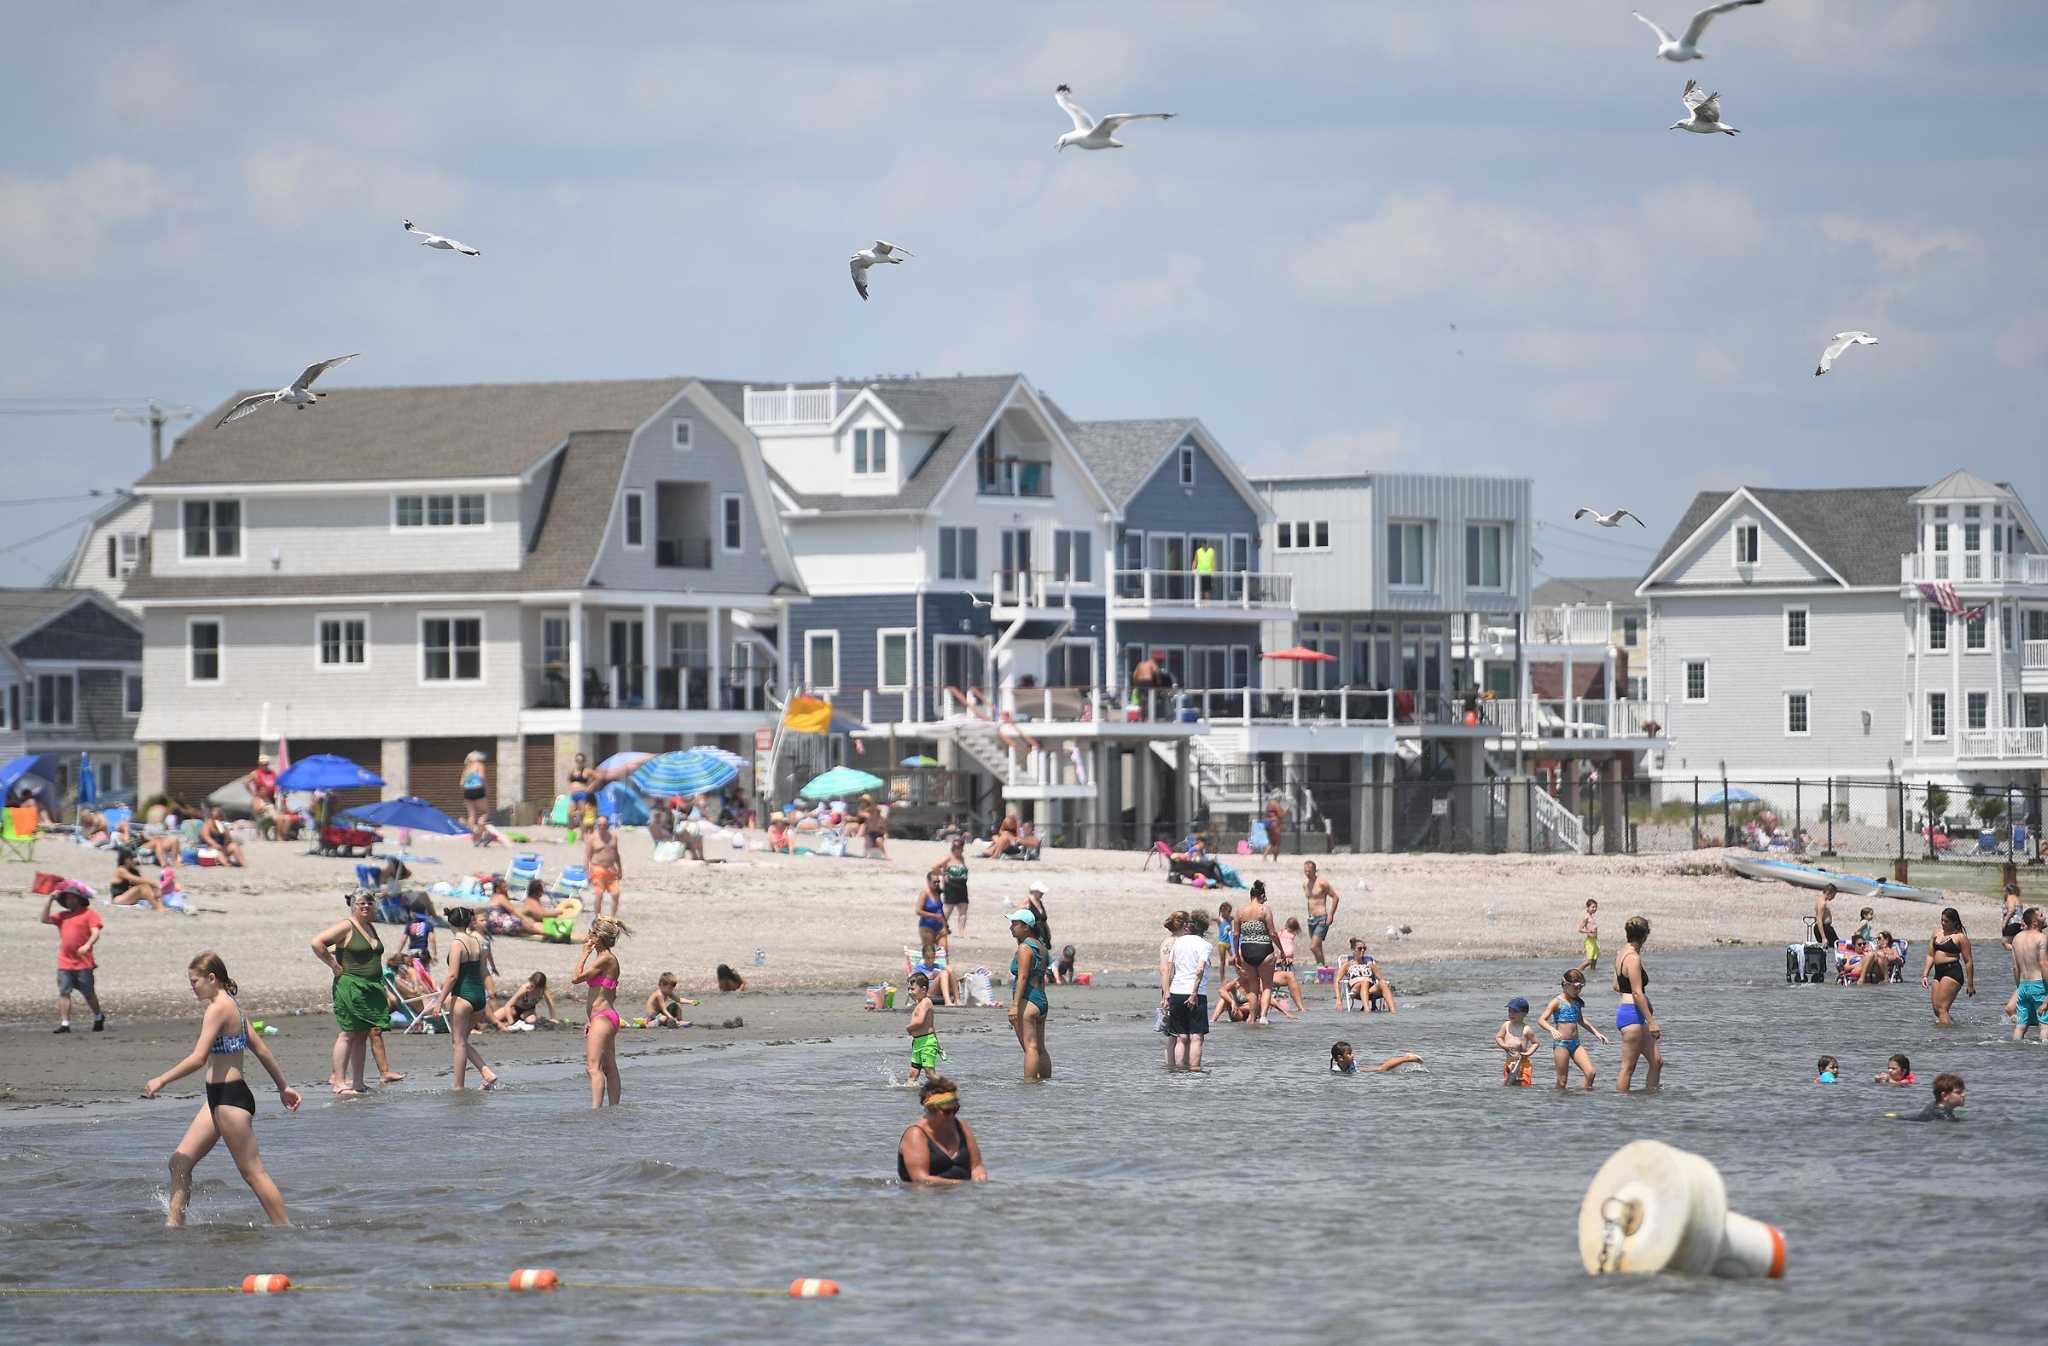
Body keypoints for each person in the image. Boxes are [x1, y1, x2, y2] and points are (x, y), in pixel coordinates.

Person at [144, 952, 300, 1227]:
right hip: (216, 1099)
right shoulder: (232, 1006)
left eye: (195, 981)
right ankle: (174, 1226)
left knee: (253, 1173)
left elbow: (198, 1058)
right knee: (179, 1162)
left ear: (211, 978)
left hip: (230, 1100)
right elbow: (261, 1049)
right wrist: (283, 1087)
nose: (192, 987)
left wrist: (162, 1079)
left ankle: (286, 1228)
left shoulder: (218, 1008)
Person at [311, 891, 397, 1096]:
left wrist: (384, 988)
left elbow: (371, 960)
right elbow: (317, 942)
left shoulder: (370, 926)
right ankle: (339, 1082)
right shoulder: (347, 925)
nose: (366, 906)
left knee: (362, 1034)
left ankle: (358, 1083)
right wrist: (333, 964)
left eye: (369, 902)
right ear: (353, 905)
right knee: (349, 1033)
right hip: (350, 986)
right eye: (361, 903)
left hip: (371, 987)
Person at [434, 907, 501, 1091]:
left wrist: (439, 1001)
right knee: (462, 1040)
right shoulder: (477, 941)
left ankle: (458, 1087)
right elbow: (482, 971)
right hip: (479, 996)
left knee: (458, 1042)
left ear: (451, 923)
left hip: (463, 996)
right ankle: (486, 1072)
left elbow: (453, 975)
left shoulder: (457, 943)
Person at [574, 916, 629, 1107]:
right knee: (608, 1067)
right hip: (603, 1018)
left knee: (593, 1067)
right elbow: (607, 994)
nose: (588, 935)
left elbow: (576, 978)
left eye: (591, 932)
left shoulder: (605, 959)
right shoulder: (607, 959)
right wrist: (591, 1021)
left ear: (599, 937)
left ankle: (596, 1112)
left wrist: (583, 953)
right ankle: (614, 1109)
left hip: (603, 1019)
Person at [896, 1076, 987, 1183]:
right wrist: (959, 1185)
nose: (952, 1115)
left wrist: (980, 1180)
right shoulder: (916, 1134)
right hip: (927, 1196)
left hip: (961, 1196)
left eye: (955, 1109)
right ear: (931, 1109)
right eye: (947, 1111)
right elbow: (920, 1179)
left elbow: (977, 1166)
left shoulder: (961, 1126)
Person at [43, 888, 106, 1033]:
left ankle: (98, 1016)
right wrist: (50, 899)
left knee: (88, 993)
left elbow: (96, 932)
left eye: (72, 898)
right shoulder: (63, 916)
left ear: (78, 899)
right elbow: (44, 919)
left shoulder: (89, 914)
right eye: (67, 899)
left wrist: (87, 945)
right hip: (65, 962)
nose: (69, 901)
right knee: (64, 992)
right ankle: (65, 1024)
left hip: (84, 962)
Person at [1538, 968, 1609, 1091]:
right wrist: (1551, 1029)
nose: (1579, 990)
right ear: (1566, 985)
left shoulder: (1576, 1002)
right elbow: (1541, 1020)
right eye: (1576, 987)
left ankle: (1582, 1101)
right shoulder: (1556, 1002)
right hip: (1561, 1045)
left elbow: (1581, 1021)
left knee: (1590, 1072)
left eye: (1581, 987)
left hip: (1576, 1044)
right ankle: (1558, 1105)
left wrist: (1597, 1033)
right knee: (1562, 1080)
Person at [1614, 915, 1662, 1093]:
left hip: (1633, 1013)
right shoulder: (1633, 958)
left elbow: (1616, 985)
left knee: (1657, 1062)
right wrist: (1651, 1021)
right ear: (1644, 936)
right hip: (1631, 1016)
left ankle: (1651, 1100)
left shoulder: (1621, 953)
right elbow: (1636, 992)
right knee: (1628, 1068)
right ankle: (1623, 1108)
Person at [1162, 908, 1213, 1071]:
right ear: (1204, 928)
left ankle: (1179, 1072)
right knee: (1196, 1037)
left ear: (1190, 925)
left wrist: (1167, 994)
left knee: (1181, 1037)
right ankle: (1195, 1071)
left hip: (1176, 992)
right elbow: (1199, 970)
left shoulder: (1178, 942)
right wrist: (1193, 994)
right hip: (1196, 994)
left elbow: (1169, 969)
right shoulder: (1205, 945)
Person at [1006, 908, 1052, 1080]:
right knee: (1040, 1048)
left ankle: (1029, 1086)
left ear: (1026, 927)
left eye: (1015, 924)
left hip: (1028, 1000)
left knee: (1030, 1047)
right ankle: (1045, 1085)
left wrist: (1015, 1005)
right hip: (1041, 1000)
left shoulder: (1025, 947)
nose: (1011, 928)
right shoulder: (1042, 947)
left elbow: (1023, 977)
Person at [1231, 879, 1279, 1025]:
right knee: (1267, 986)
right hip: (1264, 949)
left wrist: (1237, 955)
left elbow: (1235, 935)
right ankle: (1263, 1017)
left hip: (1246, 950)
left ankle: (1251, 1018)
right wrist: (1282, 950)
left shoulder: (1240, 911)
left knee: (1252, 986)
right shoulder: (1265, 909)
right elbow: (1272, 933)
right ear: (1261, 896)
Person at [1920, 906, 1974, 1025]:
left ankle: (1945, 1038)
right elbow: (1930, 955)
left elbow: (1968, 961)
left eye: (1946, 921)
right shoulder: (1936, 933)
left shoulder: (1960, 937)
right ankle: (1952, 1027)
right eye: (1942, 920)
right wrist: (1925, 975)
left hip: (1952, 972)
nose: (1943, 923)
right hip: (1938, 972)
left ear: (1954, 922)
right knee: (1936, 1010)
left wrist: (1970, 984)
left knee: (1942, 1009)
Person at [2012, 907, 2047, 1043]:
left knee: (2021, 1026)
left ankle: (2016, 1051)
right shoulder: (2041, 938)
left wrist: (2018, 987)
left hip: (2023, 985)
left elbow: (2015, 967)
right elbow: (2044, 963)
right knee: (2044, 1025)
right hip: (2039, 985)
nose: (2045, 916)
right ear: (2035, 922)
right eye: (2042, 915)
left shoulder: (2016, 938)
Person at [905, 972, 944, 1083]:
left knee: (930, 1074)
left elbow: (920, 1021)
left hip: (926, 1043)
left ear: (923, 989)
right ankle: (909, 1089)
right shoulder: (919, 1003)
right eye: (908, 989)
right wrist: (938, 1044)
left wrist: (909, 1028)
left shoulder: (926, 1002)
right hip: (918, 1043)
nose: (910, 992)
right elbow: (931, 1026)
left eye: (912, 989)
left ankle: (946, 1087)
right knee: (913, 1073)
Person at [584, 814, 624, 919]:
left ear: (608, 825)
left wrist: (620, 869)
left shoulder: (613, 837)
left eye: (604, 825)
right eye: (600, 825)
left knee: (616, 894)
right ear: (597, 825)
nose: (602, 826)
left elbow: (616, 854)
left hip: (611, 869)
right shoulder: (592, 838)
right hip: (597, 868)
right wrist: (587, 872)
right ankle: (598, 917)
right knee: (599, 894)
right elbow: (587, 857)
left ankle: (612, 917)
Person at [1302, 860, 1340, 966]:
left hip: (1322, 918)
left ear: (1315, 870)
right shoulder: (1305, 884)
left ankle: (1322, 967)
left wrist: (1331, 915)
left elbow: (1335, 897)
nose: (1307, 874)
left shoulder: (1322, 883)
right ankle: (1322, 972)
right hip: (1311, 919)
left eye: (1309, 871)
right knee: (1318, 947)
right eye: (1305, 871)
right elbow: (1309, 901)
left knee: (1313, 947)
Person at [493, 972, 558, 1030]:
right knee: (494, 1019)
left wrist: (553, 1018)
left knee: (531, 1021)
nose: (533, 989)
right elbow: (508, 1005)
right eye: (532, 986)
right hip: (514, 1009)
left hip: (529, 1010)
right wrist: (511, 1023)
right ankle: (514, 1021)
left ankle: (517, 1022)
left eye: (537, 988)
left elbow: (550, 1004)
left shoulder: (543, 989)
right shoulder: (524, 988)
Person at [1496, 997, 1539, 1086]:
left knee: (1523, 1085)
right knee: (1509, 1085)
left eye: (1515, 1011)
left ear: (1524, 1014)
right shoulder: (1506, 1025)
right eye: (1509, 1011)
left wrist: (1528, 1053)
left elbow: (1536, 1043)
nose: (1511, 1014)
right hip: (1509, 1063)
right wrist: (1503, 1045)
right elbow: (1498, 1037)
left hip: (1523, 1064)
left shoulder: (1526, 1029)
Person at [1889, 1072, 1965, 1122]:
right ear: (1944, 1096)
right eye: (1958, 1092)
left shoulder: (1934, 1104)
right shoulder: (1943, 1115)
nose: (1963, 1095)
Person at [1330, 1041, 1424, 1075]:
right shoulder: (1336, 1070)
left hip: (1359, 1070)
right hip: (1359, 1070)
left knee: (1383, 1068)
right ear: (1340, 1058)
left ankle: (1408, 1058)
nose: (1353, 1055)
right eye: (1349, 1054)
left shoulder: (1343, 1065)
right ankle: (1406, 1058)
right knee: (1383, 1068)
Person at [915, 869, 946, 966]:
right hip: (927, 927)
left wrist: (945, 926)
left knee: (943, 952)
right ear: (928, 882)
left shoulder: (938, 893)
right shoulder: (924, 894)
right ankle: (926, 973)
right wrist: (934, 916)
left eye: (938, 881)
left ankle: (943, 974)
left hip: (940, 927)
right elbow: (918, 911)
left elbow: (941, 910)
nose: (937, 884)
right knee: (929, 953)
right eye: (934, 882)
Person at [403, 894, 438, 966]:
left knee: (412, 972)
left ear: (413, 913)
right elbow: (432, 940)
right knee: (425, 973)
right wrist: (434, 954)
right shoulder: (428, 925)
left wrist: (398, 951)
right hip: (423, 952)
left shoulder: (409, 925)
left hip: (412, 952)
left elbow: (403, 939)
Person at [461, 750, 489, 831]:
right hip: (477, 789)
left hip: (467, 791)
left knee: (471, 815)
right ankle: (480, 824)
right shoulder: (479, 765)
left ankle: (471, 832)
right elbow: (482, 777)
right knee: (485, 812)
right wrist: (486, 788)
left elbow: (462, 783)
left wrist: (465, 796)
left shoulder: (467, 768)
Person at [566, 752, 596, 822]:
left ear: (584, 762)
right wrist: (570, 788)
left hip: (582, 794)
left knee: (582, 815)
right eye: (577, 761)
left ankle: (583, 832)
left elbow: (597, 778)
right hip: (573, 794)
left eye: (581, 761)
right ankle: (571, 833)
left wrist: (591, 787)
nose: (579, 763)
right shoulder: (572, 770)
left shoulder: (587, 770)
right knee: (569, 814)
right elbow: (568, 780)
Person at [858, 794, 889, 860]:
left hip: (878, 832)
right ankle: (865, 855)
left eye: (863, 801)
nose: (862, 802)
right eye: (861, 801)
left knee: (878, 840)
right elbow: (861, 817)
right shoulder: (863, 811)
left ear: (867, 802)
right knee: (867, 841)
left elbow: (882, 811)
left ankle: (885, 855)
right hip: (870, 832)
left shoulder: (874, 809)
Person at [1576, 899, 1600, 974]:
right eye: (1592, 907)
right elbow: (1579, 929)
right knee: (1589, 961)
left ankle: (1593, 977)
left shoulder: (1591, 917)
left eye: (1596, 907)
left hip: (1594, 941)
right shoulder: (1586, 917)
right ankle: (1576, 972)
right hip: (1589, 941)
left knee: (1594, 961)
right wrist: (1588, 931)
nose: (1594, 909)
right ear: (1587, 907)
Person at [1813, 884, 1839, 949]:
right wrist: (1823, 937)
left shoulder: (1819, 900)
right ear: (1828, 893)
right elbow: (1819, 920)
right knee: (1838, 946)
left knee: (1832, 947)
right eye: (1833, 895)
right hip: (1825, 929)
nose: (1833, 898)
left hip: (1823, 928)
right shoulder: (1822, 903)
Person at [1263, 795, 1286, 862]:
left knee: (1271, 842)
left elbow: (1266, 814)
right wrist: (1286, 811)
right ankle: (1275, 859)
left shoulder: (1269, 804)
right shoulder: (1276, 804)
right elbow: (1281, 814)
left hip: (1268, 823)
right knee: (1277, 843)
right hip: (1275, 824)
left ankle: (1265, 856)